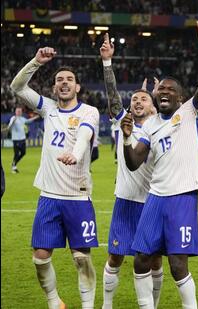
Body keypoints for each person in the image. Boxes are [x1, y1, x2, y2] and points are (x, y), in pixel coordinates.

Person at [122, 12, 198, 309]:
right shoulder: (149, 125)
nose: (162, 91)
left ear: (180, 96)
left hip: (182, 197)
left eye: (169, 89)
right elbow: (135, 161)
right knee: (140, 260)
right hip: (156, 197)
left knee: (177, 264)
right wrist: (126, 138)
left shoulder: (188, 111)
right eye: (159, 88)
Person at [10, 47, 100, 309]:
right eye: (59, 79)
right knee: (40, 257)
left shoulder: (89, 111)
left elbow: (84, 135)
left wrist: (76, 153)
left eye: (69, 80)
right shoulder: (47, 108)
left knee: (82, 258)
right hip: (49, 196)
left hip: (78, 197)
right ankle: (54, 302)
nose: (64, 83)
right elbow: (17, 87)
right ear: (54, 88)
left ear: (78, 87)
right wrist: (36, 62)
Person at [99, 33, 164, 309]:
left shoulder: (162, 125)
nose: (137, 101)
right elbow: (114, 97)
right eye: (135, 98)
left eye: (143, 99)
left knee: (155, 259)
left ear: (153, 106)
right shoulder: (122, 122)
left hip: (153, 202)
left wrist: (159, 96)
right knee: (115, 257)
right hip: (125, 201)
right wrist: (107, 62)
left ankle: (153, 304)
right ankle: (106, 305)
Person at [7, 106, 39, 173]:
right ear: (15, 112)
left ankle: (14, 164)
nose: (19, 112)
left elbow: (28, 121)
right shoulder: (13, 118)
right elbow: (9, 127)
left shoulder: (22, 118)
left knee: (23, 153)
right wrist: (13, 122)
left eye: (20, 111)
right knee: (16, 154)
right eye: (18, 111)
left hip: (22, 138)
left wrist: (36, 117)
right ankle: (14, 167)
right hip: (16, 139)